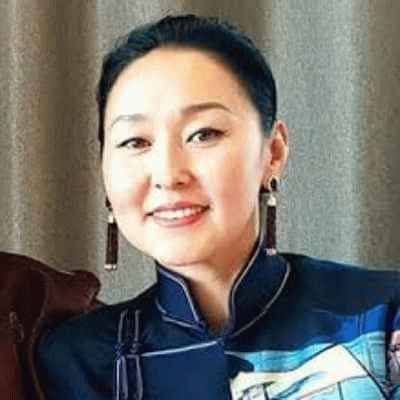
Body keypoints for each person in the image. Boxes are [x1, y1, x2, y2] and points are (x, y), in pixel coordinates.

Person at [36, 13, 400, 399]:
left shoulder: (382, 317)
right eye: (135, 142)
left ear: (273, 152)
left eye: (203, 134)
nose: (168, 174)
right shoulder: (78, 362)